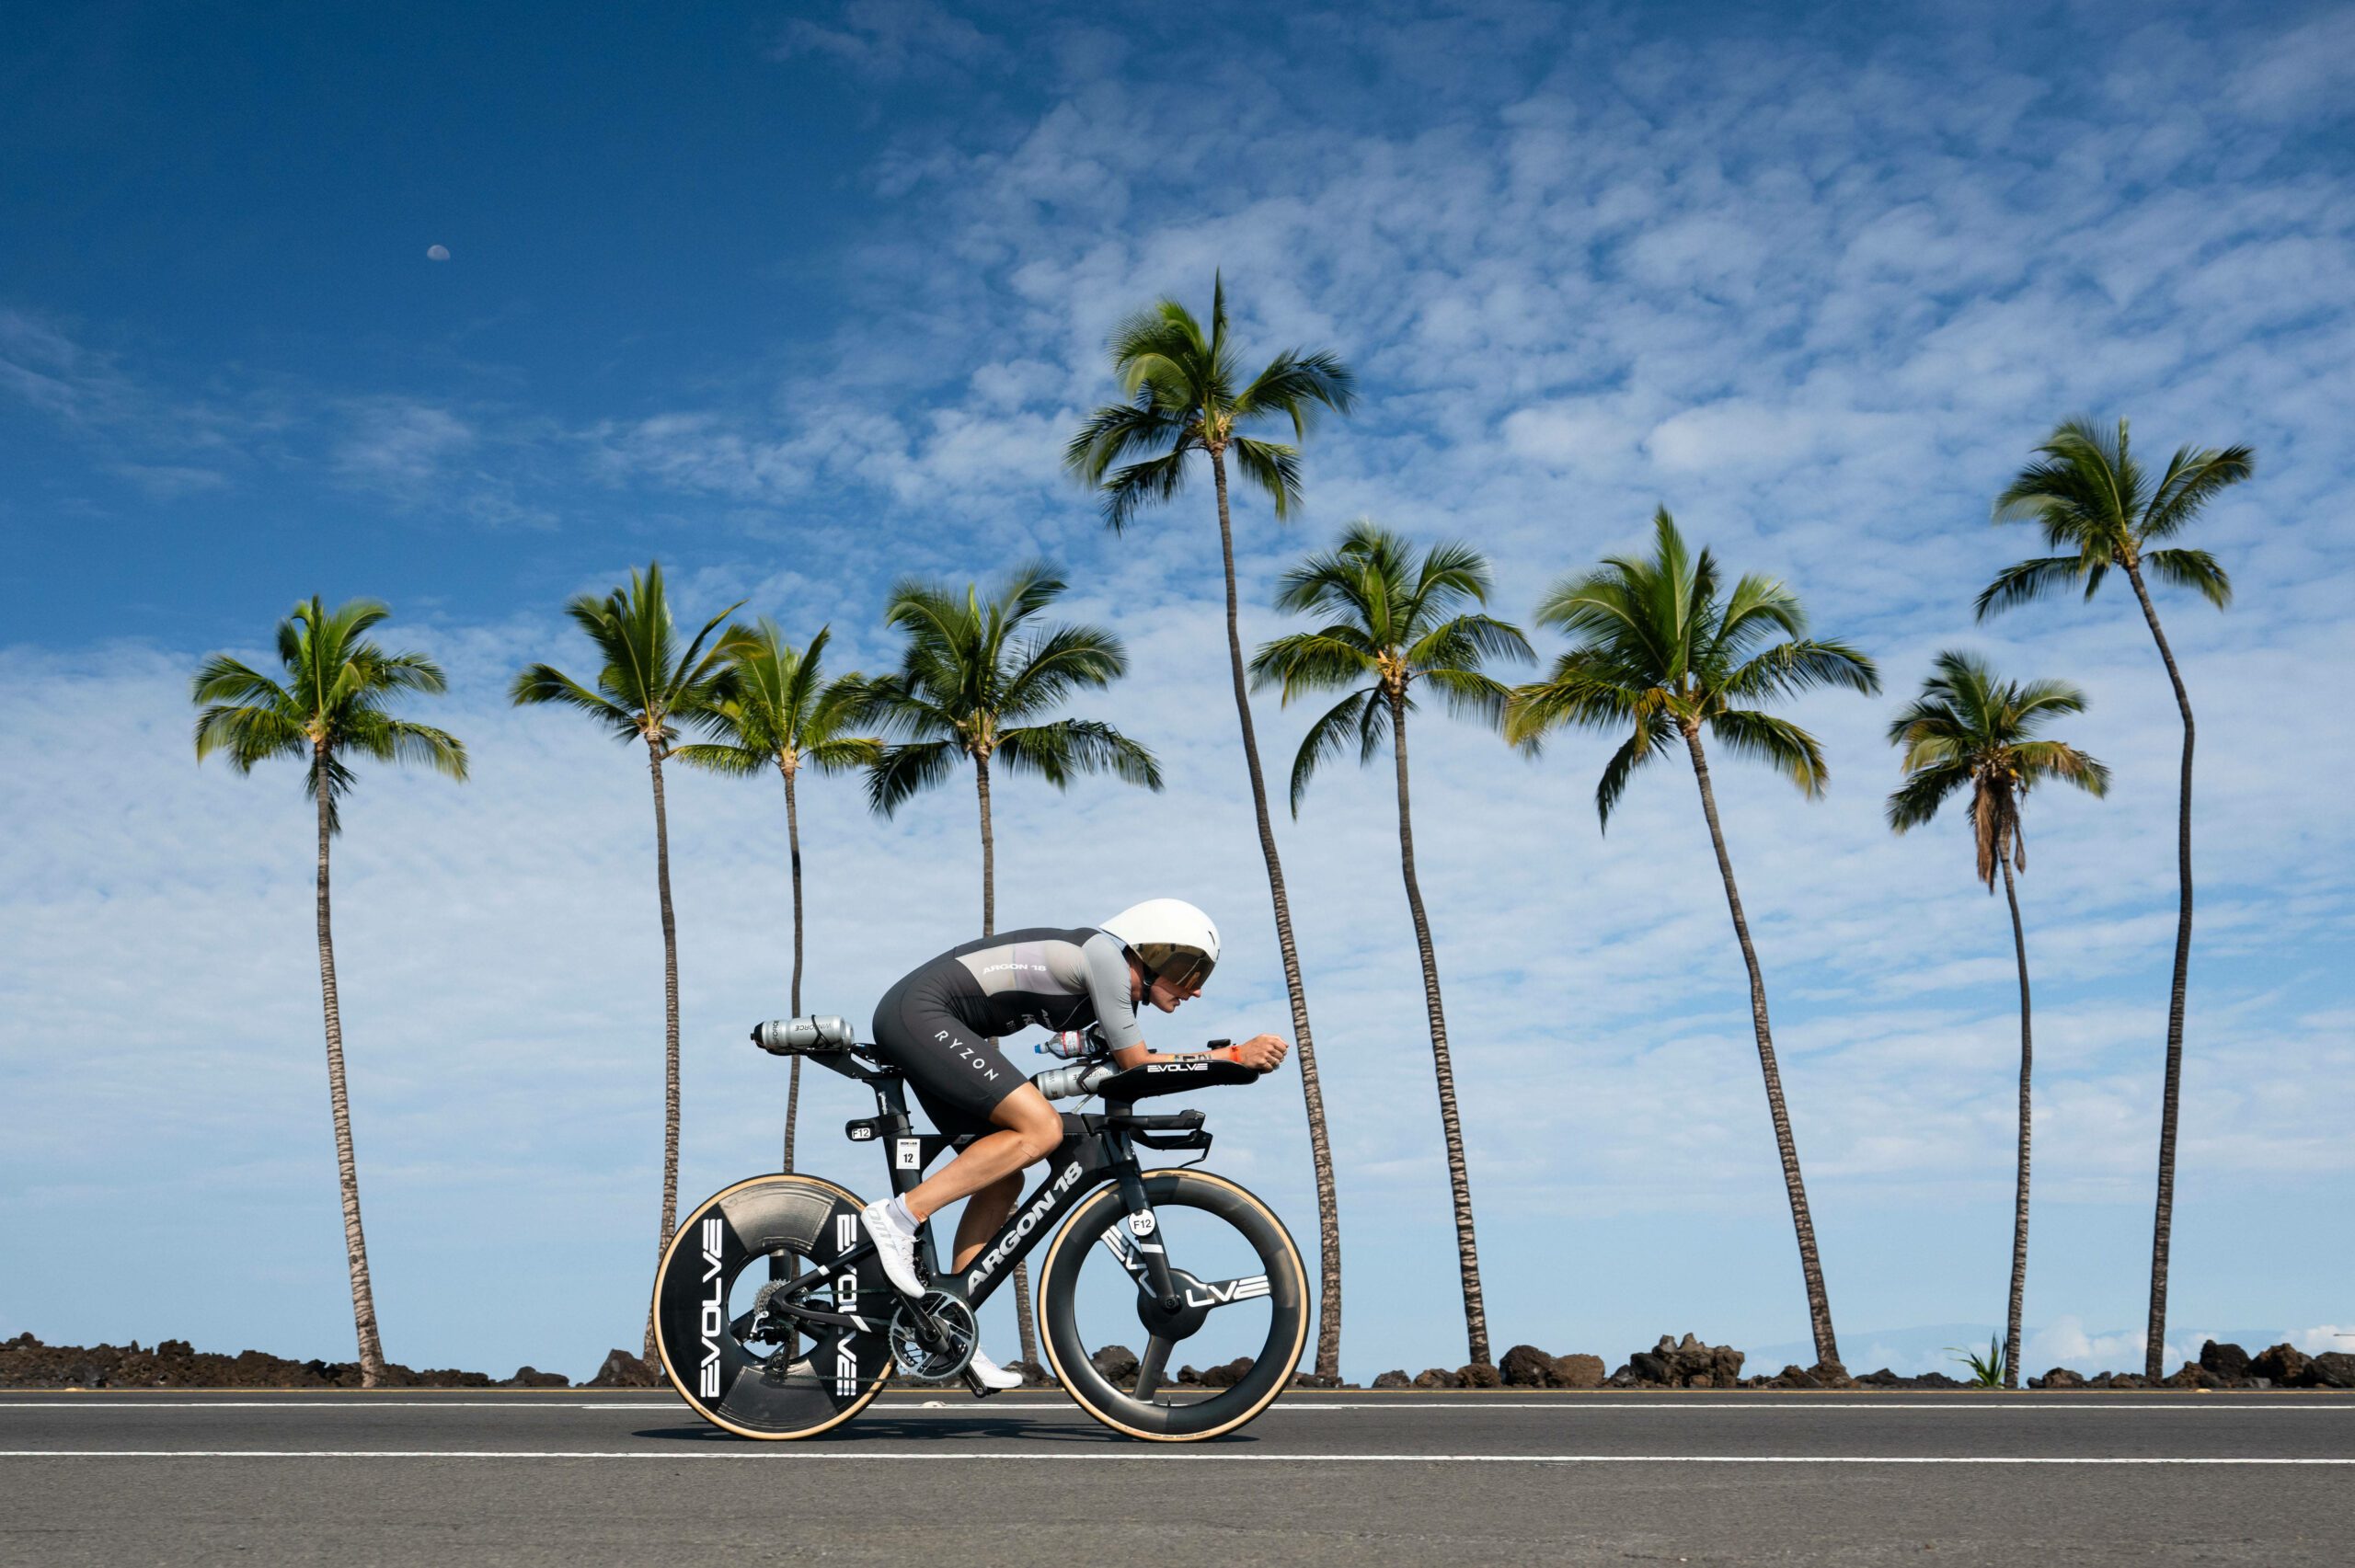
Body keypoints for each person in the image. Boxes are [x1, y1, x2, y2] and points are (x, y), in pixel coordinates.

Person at [858, 898, 1289, 1390]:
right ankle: (896, 1218)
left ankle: (953, 1325)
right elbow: (1138, 1064)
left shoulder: (1104, 987)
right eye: (1190, 971)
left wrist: (1220, 1068)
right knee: (1043, 1131)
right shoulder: (1104, 957)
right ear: (1152, 952)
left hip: (928, 1020)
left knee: (1005, 1177)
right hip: (919, 1013)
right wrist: (1231, 1056)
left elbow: (1120, 1065)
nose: (1194, 990)